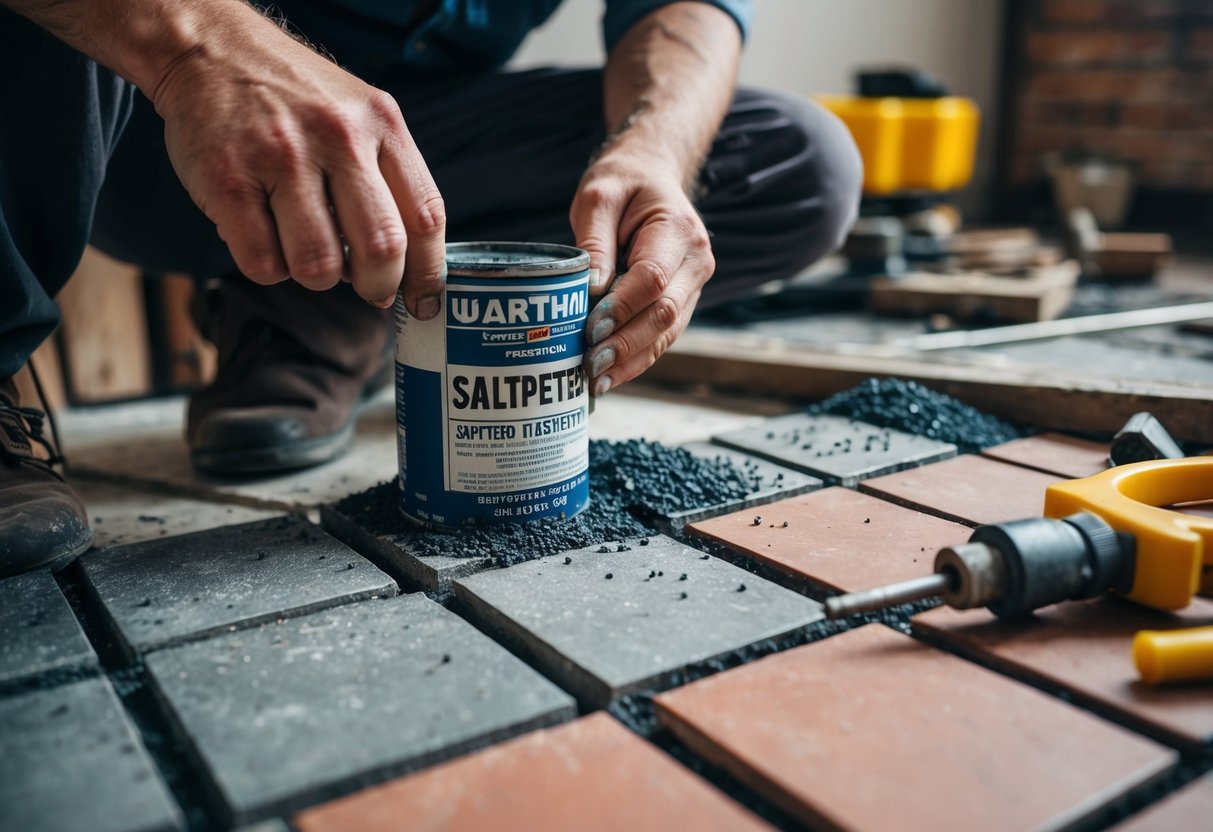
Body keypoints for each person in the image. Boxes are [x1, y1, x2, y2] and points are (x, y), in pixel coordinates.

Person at [0, 0, 862, 576]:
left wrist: (652, 153)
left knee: (797, 161)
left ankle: (323, 303)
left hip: (425, 143)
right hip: (147, 111)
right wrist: (195, 44)